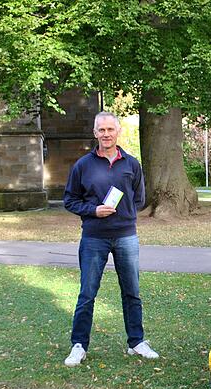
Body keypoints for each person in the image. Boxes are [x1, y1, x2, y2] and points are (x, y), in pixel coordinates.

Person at [63, 112, 158, 366]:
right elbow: (70, 200)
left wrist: (124, 215)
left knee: (132, 292)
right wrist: (93, 211)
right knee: (87, 293)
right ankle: (79, 345)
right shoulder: (83, 165)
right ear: (95, 133)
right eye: (101, 130)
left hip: (126, 236)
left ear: (118, 132)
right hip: (94, 237)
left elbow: (139, 198)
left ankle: (136, 342)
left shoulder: (131, 164)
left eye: (110, 129)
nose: (106, 134)